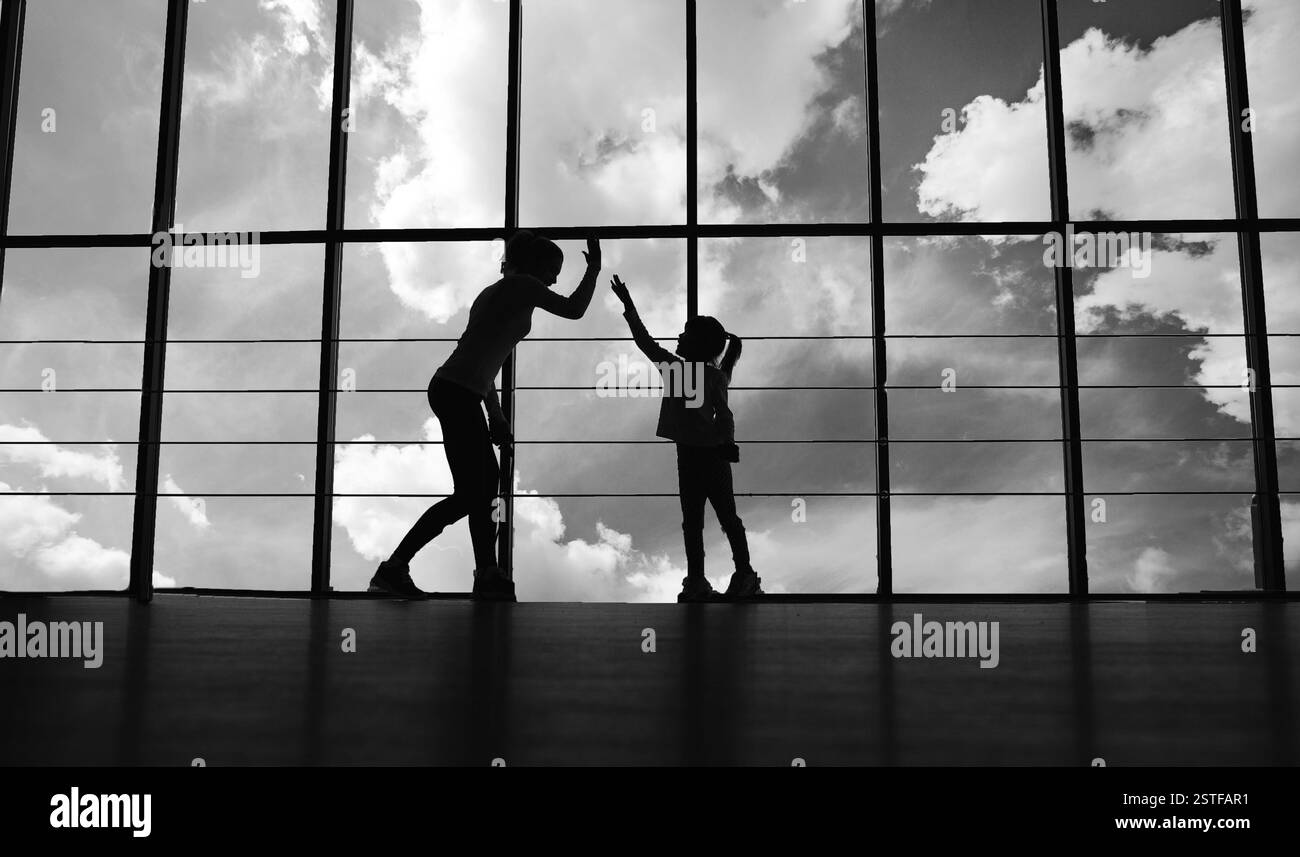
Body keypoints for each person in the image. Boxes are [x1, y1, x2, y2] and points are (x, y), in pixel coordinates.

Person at [370, 232, 602, 600]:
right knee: (477, 491)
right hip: (457, 392)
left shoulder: (493, 294)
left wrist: (495, 415)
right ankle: (432, 570)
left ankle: (470, 571)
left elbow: (484, 363)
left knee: (475, 492)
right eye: (554, 270)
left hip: (456, 389)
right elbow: (574, 309)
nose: (555, 278)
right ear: (536, 265)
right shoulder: (523, 285)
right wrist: (594, 271)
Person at [610, 274, 762, 602]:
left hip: (698, 456)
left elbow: (645, 344)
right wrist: (727, 443)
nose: (679, 335)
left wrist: (629, 307)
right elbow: (725, 416)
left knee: (698, 520)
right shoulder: (702, 374)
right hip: (705, 455)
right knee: (720, 517)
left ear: (697, 344)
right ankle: (736, 574)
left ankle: (713, 578)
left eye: (685, 333)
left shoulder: (686, 371)